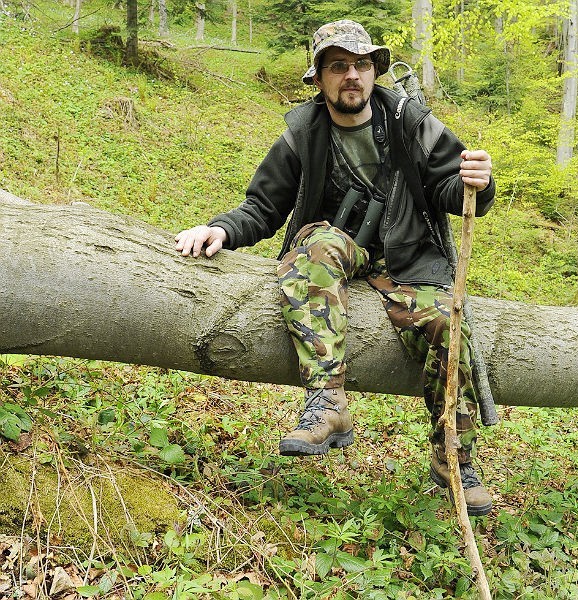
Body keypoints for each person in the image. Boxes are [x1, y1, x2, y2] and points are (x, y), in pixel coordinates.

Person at [175, 20, 496, 516]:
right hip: (338, 248)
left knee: (449, 327)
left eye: (362, 65)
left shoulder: (410, 121)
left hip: (409, 260)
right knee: (318, 243)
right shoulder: (302, 134)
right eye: (339, 66)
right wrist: (220, 230)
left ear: (375, 72)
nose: (353, 75)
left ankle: (454, 457)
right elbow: (262, 207)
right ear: (319, 77)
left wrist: (477, 181)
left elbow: (451, 190)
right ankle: (328, 404)